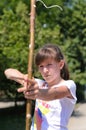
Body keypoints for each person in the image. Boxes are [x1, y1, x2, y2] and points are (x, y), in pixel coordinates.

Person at [4, 44, 77, 130]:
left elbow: (54, 94)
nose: (45, 70)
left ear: (60, 64)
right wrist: (24, 78)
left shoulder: (69, 85)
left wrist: (38, 92)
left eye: (49, 65)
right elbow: (8, 72)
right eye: (41, 66)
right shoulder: (38, 84)